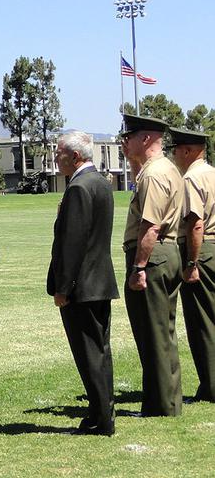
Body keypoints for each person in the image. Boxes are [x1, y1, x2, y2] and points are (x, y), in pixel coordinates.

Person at [47, 132, 118, 435]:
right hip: (99, 281)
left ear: (75, 156)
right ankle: (99, 411)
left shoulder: (78, 187)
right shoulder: (101, 182)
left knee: (89, 353)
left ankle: (102, 419)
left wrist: (63, 288)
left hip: (83, 286)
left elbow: (72, 243)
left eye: (59, 152)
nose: (55, 157)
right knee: (99, 351)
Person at [120, 114, 184, 417]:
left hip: (153, 256)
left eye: (129, 136)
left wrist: (139, 267)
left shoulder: (155, 174)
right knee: (161, 331)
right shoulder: (162, 169)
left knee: (153, 333)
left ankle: (161, 405)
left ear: (146, 139)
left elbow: (150, 226)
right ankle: (166, 400)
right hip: (164, 254)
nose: (124, 142)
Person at [170, 127, 215, 402]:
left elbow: (195, 224)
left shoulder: (191, 178)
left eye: (175, 149)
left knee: (203, 322)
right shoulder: (212, 172)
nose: (174, 155)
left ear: (187, 150)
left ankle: (210, 386)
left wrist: (191, 262)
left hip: (203, 249)